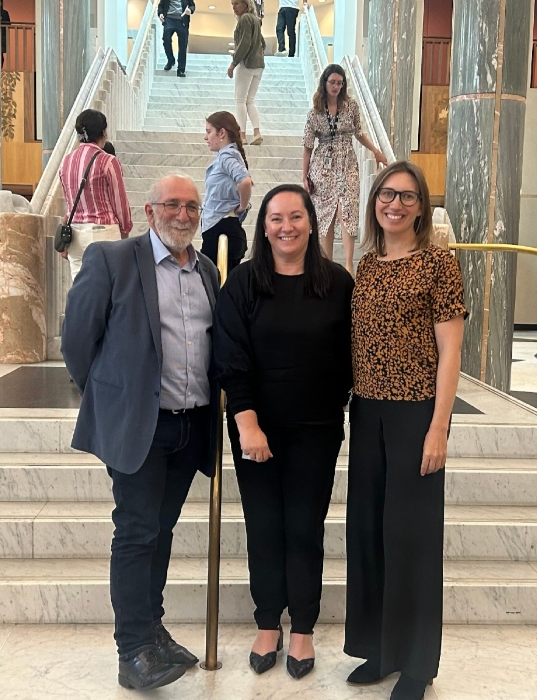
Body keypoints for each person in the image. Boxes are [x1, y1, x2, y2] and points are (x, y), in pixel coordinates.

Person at [61, 174, 219, 691]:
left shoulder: (208, 271)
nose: (183, 214)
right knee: (135, 533)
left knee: (161, 532)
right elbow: (76, 339)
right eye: (171, 205)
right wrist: (111, 396)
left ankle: (152, 630)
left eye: (192, 206)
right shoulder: (113, 260)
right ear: (149, 212)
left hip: (189, 427)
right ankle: (132, 650)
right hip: (140, 428)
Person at [214, 184, 352, 679]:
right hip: (256, 429)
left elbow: (348, 358)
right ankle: (268, 623)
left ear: (312, 222)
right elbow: (230, 357)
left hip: (316, 429)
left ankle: (303, 630)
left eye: (296, 216)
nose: (286, 226)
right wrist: (246, 421)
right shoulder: (245, 283)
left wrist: (336, 404)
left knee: (304, 528)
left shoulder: (337, 283)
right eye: (276, 218)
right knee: (265, 525)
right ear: (263, 225)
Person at [343, 162, 465, 700]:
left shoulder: (439, 264)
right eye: (387, 194)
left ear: (421, 206)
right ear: (375, 201)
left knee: (411, 538)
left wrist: (439, 427)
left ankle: (416, 661)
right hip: (366, 413)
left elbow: (451, 353)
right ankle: (380, 648)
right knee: (368, 533)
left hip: (416, 413)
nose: (395, 204)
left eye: (407, 197)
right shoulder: (367, 267)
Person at [302, 64, 388, 273]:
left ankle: (349, 265)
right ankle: (328, 264)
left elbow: (359, 132)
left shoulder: (351, 106)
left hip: (347, 161)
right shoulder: (314, 112)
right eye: (332, 82)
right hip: (323, 165)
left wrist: (375, 151)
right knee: (325, 216)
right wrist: (304, 176)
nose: (336, 87)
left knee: (347, 210)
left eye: (340, 83)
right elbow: (307, 146)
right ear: (324, 83)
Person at [58, 109, 134, 281]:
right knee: (108, 290)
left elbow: (69, 203)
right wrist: (125, 229)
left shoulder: (66, 161)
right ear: (104, 132)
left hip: (76, 234)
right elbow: (120, 202)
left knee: (80, 291)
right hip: (103, 233)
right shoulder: (108, 161)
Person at [199, 111, 253, 272]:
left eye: (209, 132)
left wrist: (242, 207)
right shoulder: (229, 156)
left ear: (221, 133)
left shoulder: (226, 156)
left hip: (221, 229)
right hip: (221, 229)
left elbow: (245, 181)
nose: (205, 137)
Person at [228, 0, 265, 146]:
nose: (234, 7)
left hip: (247, 64)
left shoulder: (244, 19)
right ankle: (256, 132)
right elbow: (263, 43)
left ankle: (242, 135)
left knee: (240, 100)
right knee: (250, 100)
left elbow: (244, 43)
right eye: (233, 4)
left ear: (246, 4)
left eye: (237, 3)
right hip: (259, 66)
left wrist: (233, 63)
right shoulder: (256, 20)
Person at [158, 0, 195, 77]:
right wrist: (160, 13)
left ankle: (181, 70)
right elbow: (161, 5)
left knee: (182, 46)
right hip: (169, 19)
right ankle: (171, 60)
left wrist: (190, 10)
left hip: (182, 21)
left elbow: (192, 5)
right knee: (166, 40)